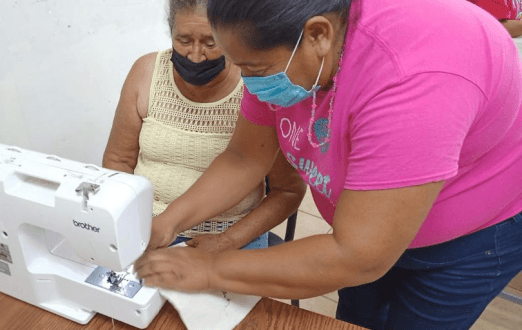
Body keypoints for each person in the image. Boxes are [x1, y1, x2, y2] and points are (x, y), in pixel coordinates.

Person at [134, 0, 522, 329]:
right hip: (356, 229)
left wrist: (209, 272)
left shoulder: (416, 76)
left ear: (318, 36)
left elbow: (357, 256)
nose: (250, 85)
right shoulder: (279, 46)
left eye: (257, 71)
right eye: (241, 68)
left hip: (467, 240)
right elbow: (244, 157)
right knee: (355, 316)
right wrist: (169, 221)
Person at [102, 0, 305, 253]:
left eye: (211, 43)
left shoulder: (256, 90)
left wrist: (228, 240)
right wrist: (134, 223)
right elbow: (118, 160)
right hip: (148, 229)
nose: (196, 55)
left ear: (231, 38)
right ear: (170, 32)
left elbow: (287, 190)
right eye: (184, 41)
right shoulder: (146, 73)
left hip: (229, 236)